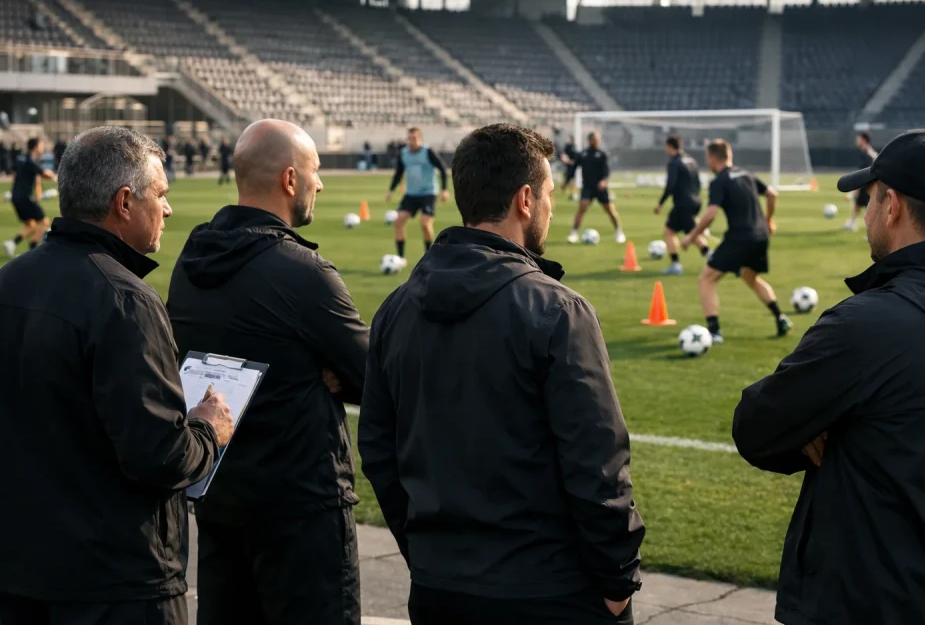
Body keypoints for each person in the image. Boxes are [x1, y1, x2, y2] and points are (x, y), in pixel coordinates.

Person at [733, 129, 925, 625]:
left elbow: (755, 428)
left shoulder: (864, 325)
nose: (867, 213)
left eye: (870, 199)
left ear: (892, 206)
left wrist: (823, 430)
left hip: (865, 605)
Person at [360, 123, 646, 625]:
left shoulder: (395, 309)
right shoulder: (558, 310)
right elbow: (597, 462)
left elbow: (379, 451)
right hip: (547, 591)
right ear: (526, 200)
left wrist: (426, 555)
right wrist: (617, 582)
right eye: (550, 194)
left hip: (439, 588)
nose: (552, 208)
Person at [0, 126, 233, 625]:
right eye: (160, 194)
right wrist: (208, 429)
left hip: (20, 571)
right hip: (115, 582)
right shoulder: (124, 299)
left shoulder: (9, 281)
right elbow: (160, 455)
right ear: (125, 202)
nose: (168, 209)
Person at [167, 119, 370, 625]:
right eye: (315, 171)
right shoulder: (304, 273)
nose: (320, 184)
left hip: (221, 499)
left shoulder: (191, 262)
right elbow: (377, 375)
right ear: (290, 179)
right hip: (302, 511)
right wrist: (336, 373)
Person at [682, 139, 791, 343]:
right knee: (750, 277)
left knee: (706, 279)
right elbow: (771, 194)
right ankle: (780, 317)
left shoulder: (719, 181)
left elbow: (711, 214)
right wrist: (768, 220)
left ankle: (714, 332)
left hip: (739, 238)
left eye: (708, 159)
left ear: (713, 158)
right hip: (760, 236)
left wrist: (691, 236)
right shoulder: (747, 174)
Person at [385, 127, 448, 264]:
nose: (411, 141)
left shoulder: (428, 151)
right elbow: (399, 173)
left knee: (425, 224)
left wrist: (444, 189)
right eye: (409, 138)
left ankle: (429, 257)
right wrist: (391, 190)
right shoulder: (404, 153)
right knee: (399, 221)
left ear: (420, 139)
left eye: (414, 138)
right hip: (411, 194)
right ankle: (401, 258)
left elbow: (442, 168)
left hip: (428, 193)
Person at [654, 135, 708, 275]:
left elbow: (670, 185)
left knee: (669, 232)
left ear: (669, 146)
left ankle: (676, 265)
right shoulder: (691, 160)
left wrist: (660, 203)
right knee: (691, 233)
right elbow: (698, 183)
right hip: (695, 201)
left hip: (682, 203)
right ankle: (710, 255)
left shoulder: (674, 162)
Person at [567, 131, 626, 245]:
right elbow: (573, 168)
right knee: (581, 208)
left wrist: (603, 181)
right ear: (590, 140)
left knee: (610, 210)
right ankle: (573, 234)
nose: (596, 141)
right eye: (595, 139)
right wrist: (567, 180)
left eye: (597, 139)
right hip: (587, 187)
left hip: (600, 188)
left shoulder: (602, 154)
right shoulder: (583, 154)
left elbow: (606, 171)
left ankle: (619, 232)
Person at [4, 138, 56, 257]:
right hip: (25, 197)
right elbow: (44, 173)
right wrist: (55, 177)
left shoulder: (20, 158)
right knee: (43, 222)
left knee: (31, 225)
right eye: (41, 145)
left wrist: (37, 192)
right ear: (36, 147)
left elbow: (21, 174)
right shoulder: (32, 159)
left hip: (15, 197)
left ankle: (12, 243)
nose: (43, 147)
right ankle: (32, 250)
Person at [845, 131, 877, 231]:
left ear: (864, 140)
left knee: (869, 208)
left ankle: (873, 231)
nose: (856, 141)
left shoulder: (868, 154)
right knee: (858, 204)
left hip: (868, 184)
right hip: (868, 183)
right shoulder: (868, 152)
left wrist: (857, 188)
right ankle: (852, 223)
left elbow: (865, 173)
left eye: (858, 139)